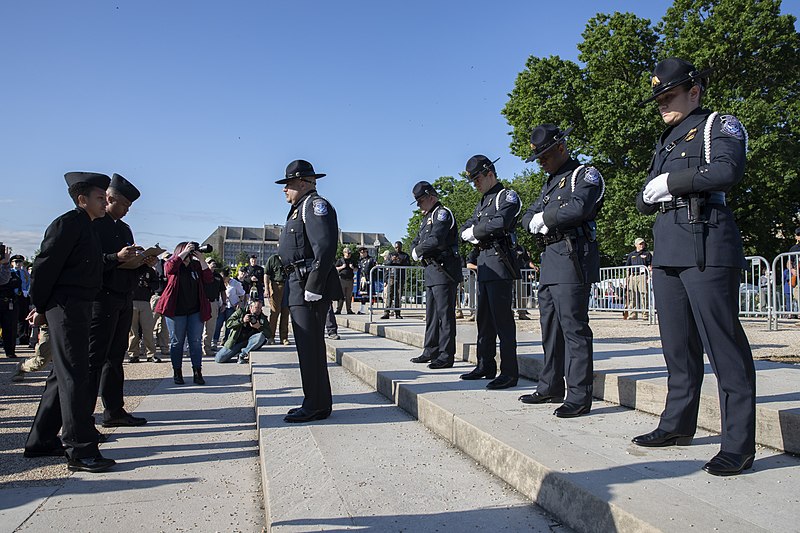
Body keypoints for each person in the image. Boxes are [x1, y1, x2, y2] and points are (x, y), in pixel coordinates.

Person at [632, 57, 756, 476]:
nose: (662, 104)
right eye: (659, 98)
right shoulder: (665, 140)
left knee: (723, 345)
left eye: (669, 96)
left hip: (706, 238)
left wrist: (673, 183)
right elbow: (643, 197)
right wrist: (654, 190)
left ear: (694, 92)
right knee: (677, 347)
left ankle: (738, 443)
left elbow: (727, 169)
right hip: (668, 245)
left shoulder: (717, 125)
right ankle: (676, 424)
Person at [25, 171, 116, 473]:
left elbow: (87, 265)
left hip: (78, 306)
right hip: (65, 307)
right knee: (75, 374)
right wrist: (40, 306)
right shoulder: (67, 224)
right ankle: (80, 449)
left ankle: (40, 441)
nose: (106, 202)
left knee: (61, 375)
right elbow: (44, 268)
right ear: (82, 199)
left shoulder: (88, 226)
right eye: (101, 198)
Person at [518, 124, 604, 418]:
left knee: (573, 328)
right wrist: (538, 218)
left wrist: (547, 217)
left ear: (561, 148)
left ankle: (579, 395)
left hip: (571, 255)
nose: (541, 161)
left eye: (544, 155)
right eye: (537, 157)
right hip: (551, 258)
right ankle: (550, 385)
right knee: (550, 328)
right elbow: (527, 215)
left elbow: (579, 207)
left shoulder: (584, 175)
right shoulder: (550, 183)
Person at [276, 159, 343, 423]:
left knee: (311, 347)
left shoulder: (315, 206)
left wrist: (314, 286)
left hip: (308, 285)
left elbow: (325, 247)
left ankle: (316, 404)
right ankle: (314, 400)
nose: (284, 190)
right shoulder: (298, 208)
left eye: (289, 185)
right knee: (306, 347)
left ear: (303, 183)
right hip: (297, 283)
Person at [87, 173, 153, 429]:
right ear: (110, 198)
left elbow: (127, 265)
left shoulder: (123, 229)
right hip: (101, 298)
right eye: (123, 205)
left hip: (123, 296)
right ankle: (84, 419)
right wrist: (116, 256)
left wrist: (143, 263)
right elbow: (92, 261)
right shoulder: (96, 224)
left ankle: (114, 409)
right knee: (95, 359)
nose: (126, 211)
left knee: (116, 357)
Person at [459, 155, 521, 390]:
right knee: (484, 320)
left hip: (499, 261)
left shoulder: (506, 196)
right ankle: (485, 364)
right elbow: (467, 226)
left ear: (489, 173)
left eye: (477, 179)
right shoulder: (484, 201)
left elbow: (501, 222)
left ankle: (509, 371)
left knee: (502, 320)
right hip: (485, 262)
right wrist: (474, 230)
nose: (475, 184)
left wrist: (476, 230)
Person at [408, 181, 461, 369]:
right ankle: (430, 350)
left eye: (421, 201)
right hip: (432, 270)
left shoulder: (441, 214)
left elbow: (436, 239)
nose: (419, 205)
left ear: (431, 197)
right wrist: (416, 249)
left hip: (444, 268)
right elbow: (416, 240)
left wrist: (419, 250)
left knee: (445, 316)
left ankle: (446, 355)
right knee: (431, 314)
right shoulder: (427, 217)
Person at [155, 242, 214, 385]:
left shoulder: (195, 266)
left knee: (195, 342)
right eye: (188, 251)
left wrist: (201, 259)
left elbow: (209, 278)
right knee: (177, 342)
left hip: (195, 311)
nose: (189, 254)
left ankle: (197, 372)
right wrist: (183, 254)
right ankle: (177, 372)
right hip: (176, 311)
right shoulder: (174, 265)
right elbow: (168, 268)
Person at [215, 299, 269, 363]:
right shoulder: (241, 312)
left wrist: (259, 327)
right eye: (256, 308)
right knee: (219, 359)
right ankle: (237, 355)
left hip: (251, 342)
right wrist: (242, 320)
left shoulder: (262, 317)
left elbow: (269, 334)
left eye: (260, 308)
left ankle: (242, 355)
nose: (258, 310)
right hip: (237, 341)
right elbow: (228, 324)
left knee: (260, 337)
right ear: (250, 307)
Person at [127, 265, 160, 363]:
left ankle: (151, 354)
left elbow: (156, 285)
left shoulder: (149, 270)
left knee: (148, 329)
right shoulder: (131, 268)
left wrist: (148, 284)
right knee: (133, 331)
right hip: (132, 301)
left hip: (145, 302)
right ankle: (133, 354)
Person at [380, 241, 411, 319]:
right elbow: (386, 263)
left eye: (399, 247)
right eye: (396, 247)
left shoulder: (405, 255)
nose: (397, 249)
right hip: (392, 277)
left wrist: (400, 261)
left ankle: (397, 313)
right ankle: (386, 312)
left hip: (401, 277)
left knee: (398, 295)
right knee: (389, 295)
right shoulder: (391, 254)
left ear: (401, 247)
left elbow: (408, 264)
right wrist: (392, 260)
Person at [623, 238, 652, 320]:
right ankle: (633, 314)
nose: (641, 245)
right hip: (633, 276)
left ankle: (645, 314)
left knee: (644, 295)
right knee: (632, 295)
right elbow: (627, 267)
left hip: (643, 276)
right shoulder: (631, 254)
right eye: (640, 244)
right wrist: (627, 278)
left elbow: (650, 265)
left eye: (643, 244)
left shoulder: (647, 254)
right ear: (636, 245)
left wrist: (649, 276)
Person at [202, 258, 226, 355]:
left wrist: (224, 303)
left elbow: (223, 291)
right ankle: (194, 348)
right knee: (198, 327)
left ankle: (207, 349)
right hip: (202, 303)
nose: (212, 264)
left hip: (213, 303)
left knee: (210, 327)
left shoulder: (218, 277)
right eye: (210, 262)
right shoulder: (201, 274)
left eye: (213, 262)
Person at [265, 253, 290, 345]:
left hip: (287, 286)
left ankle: (284, 337)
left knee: (285, 313)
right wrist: (267, 288)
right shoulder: (273, 259)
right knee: (274, 312)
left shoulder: (289, 257)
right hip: (276, 286)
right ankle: (271, 336)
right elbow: (266, 274)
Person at [0, 251, 20, 358]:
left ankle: (10, 351)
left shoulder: (11, 271)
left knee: (10, 328)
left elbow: (4, 279)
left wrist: (5, 264)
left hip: (8, 302)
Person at [11, 255, 32, 345]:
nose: (18, 264)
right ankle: (13, 337)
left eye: (20, 262)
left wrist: (26, 291)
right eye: (16, 262)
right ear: (12, 263)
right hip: (13, 296)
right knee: (13, 318)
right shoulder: (10, 272)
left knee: (23, 317)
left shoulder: (24, 273)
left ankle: (23, 337)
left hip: (23, 296)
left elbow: (29, 282)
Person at [334, 247, 357, 314]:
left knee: (349, 296)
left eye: (350, 253)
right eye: (348, 253)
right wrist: (342, 267)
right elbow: (335, 268)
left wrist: (352, 267)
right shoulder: (340, 260)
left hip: (350, 280)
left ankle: (349, 310)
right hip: (342, 279)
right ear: (344, 253)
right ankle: (338, 310)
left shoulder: (352, 260)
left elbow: (356, 269)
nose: (349, 254)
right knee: (341, 295)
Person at [356, 247, 376, 314]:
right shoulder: (360, 261)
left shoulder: (371, 259)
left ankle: (371, 309)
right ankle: (362, 309)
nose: (362, 254)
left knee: (371, 294)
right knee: (363, 295)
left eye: (363, 252)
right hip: (363, 279)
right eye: (361, 253)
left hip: (370, 278)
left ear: (366, 252)